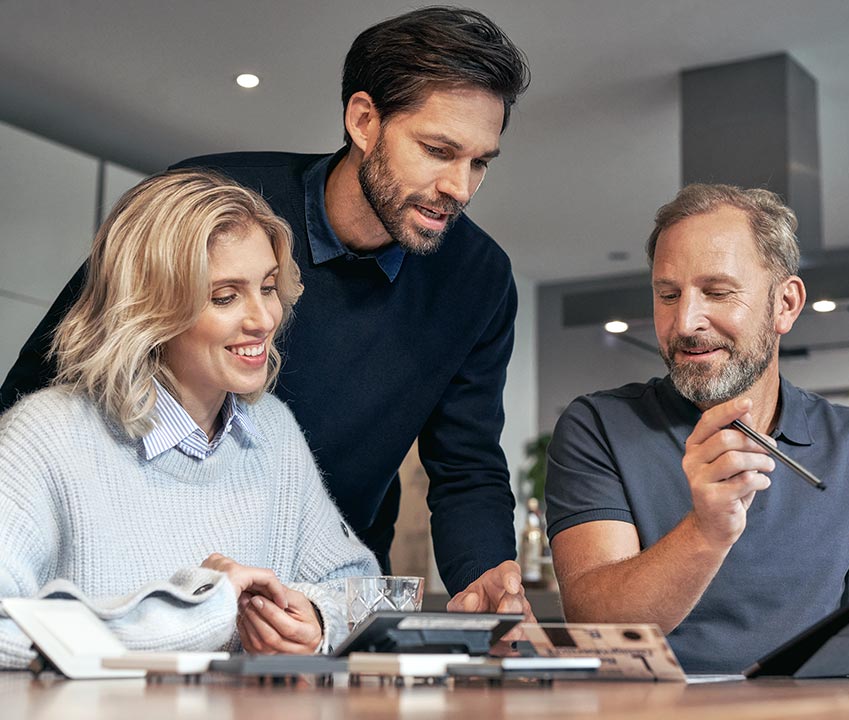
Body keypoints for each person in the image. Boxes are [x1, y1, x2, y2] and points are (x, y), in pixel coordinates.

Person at [0, 7, 531, 615]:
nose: (460, 187)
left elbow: (466, 464)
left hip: (314, 593)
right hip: (127, 584)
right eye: (439, 150)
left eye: (480, 162)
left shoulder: (478, 280)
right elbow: (52, 373)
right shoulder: (213, 206)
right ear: (364, 120)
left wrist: (484, 581)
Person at [544, 183, 849, 675]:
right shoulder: (598, 426)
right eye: (668, 294)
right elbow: (596, 625)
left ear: (785, 304)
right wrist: (705, 531)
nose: (685, 322)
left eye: (717, 292)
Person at [0, 170, 380, 669]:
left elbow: (367, 592)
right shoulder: (47, 436)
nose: (264, 319)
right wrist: (195, 611)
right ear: (148, 307)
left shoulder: (273, 431)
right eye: (225, 296)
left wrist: (313, 618)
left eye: (267, 287)